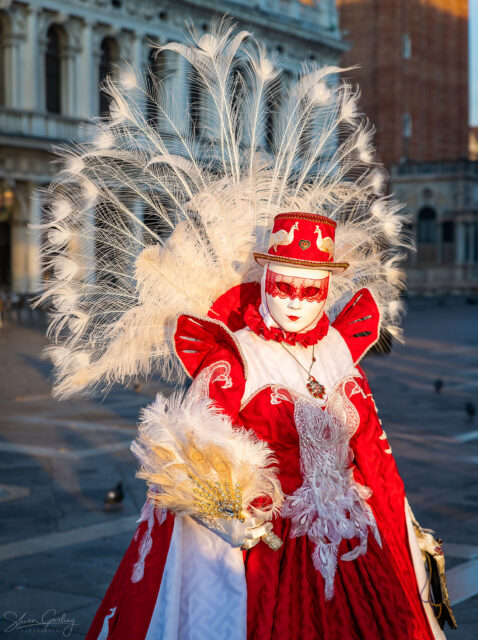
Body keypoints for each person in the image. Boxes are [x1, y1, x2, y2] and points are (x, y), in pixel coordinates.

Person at [35, 21, 456, 640]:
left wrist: (402, 527)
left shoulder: (341, 353)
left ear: (327, 290)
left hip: (360, 553)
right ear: (263, 279)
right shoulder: (236, 361)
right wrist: (230, 506)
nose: (293, 301)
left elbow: (374, 456)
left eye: (309, 289)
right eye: (282, 284)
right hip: (269, 561)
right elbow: (182, 455)